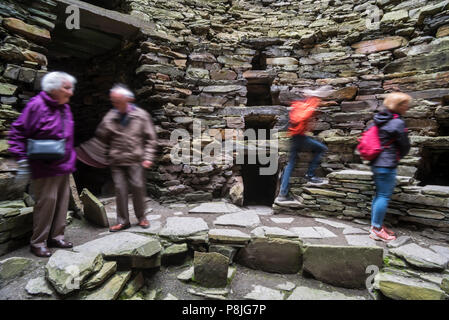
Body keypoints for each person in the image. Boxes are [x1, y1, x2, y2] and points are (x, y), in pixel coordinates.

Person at [8, 71, 77, 257]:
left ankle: (57, 236)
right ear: (53, 89)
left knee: (62, 203)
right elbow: (16, 133)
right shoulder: (36, 105)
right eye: (66, 88)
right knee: (46, 204)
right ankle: (38, 242)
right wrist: (21, 158)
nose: (70, 92)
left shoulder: (65, 107)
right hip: (44, 165)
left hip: (63, 164)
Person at [90, 84, 158, 232]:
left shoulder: (141, 115)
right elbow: (101, 136)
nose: (116, 105)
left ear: (129, 100)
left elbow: (151, 138)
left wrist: (148, 157)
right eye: (114, 102)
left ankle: (141, 217)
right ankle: (123, 221)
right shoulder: (111, 116)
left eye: (118, 102)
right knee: (120, 190)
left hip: (136, 159)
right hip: (117, 160)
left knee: (138, 188)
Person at [275, 86, 334, 203]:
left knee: (291, 163)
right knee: (321, 148)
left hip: (295, 136)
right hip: (298, 137)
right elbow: (301, 117)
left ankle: (282, 194)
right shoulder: (306, 106)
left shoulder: (299, 104)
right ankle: (310, 175)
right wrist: (313, 103)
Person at [369, 92, 411, 242]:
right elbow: (405, 145)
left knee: (379, 195)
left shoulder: (380, 118)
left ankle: (376, 225)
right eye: (405, 104)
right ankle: (376, 229)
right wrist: (400, 155)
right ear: (398, 105)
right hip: (387, 164)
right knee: (383, 196)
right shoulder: (397, 122)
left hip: (376, 162)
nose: (407, 106)